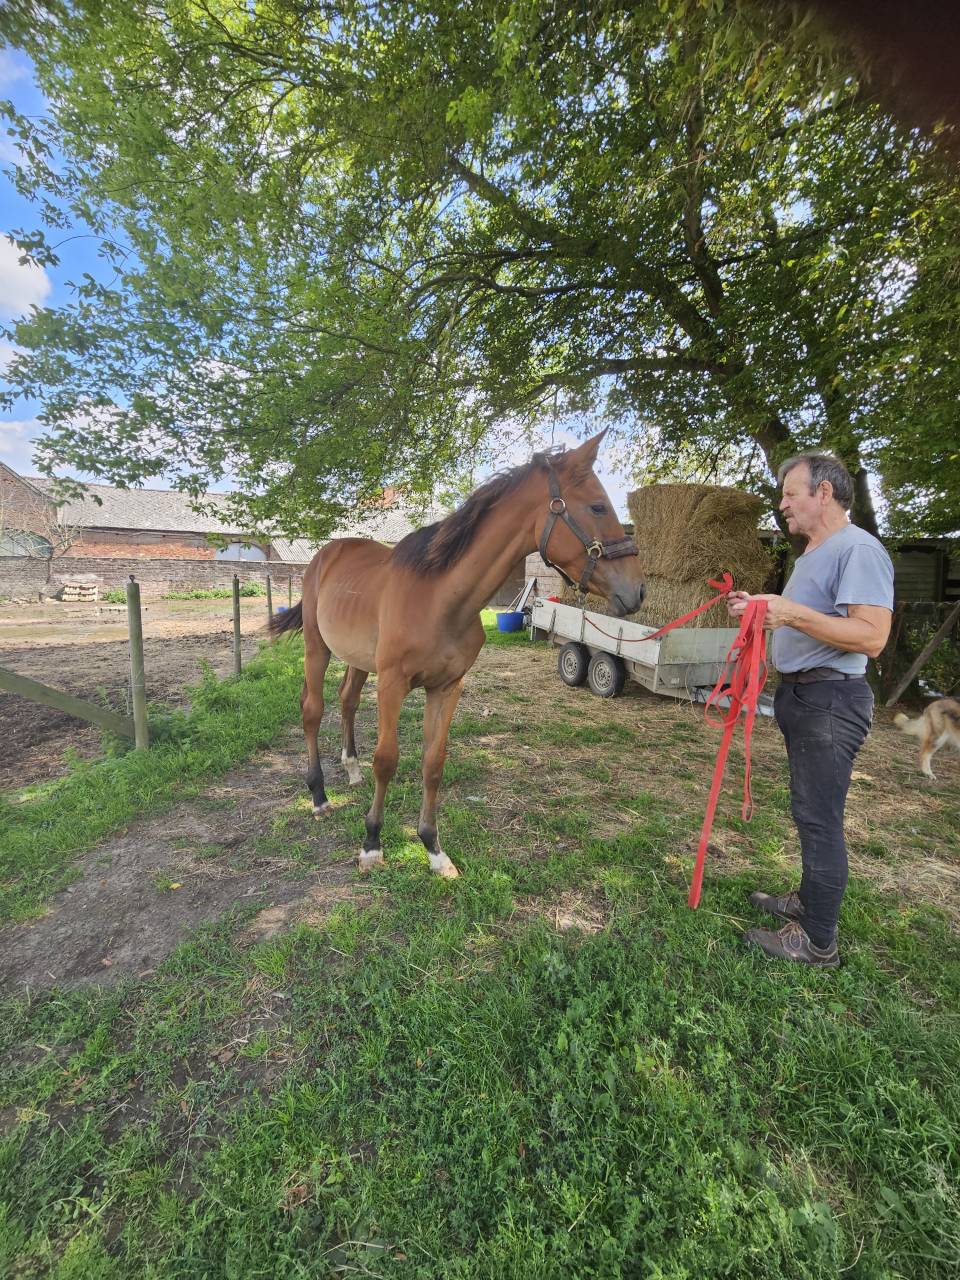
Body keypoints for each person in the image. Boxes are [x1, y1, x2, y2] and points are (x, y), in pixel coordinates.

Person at [727, 452, 894, 967]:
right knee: (808, 810)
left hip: (829, 700)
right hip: (804, 696)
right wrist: (764, 606)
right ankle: (808, 900)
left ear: (824, 493)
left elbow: (872, 637)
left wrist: (790, 612)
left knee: (820, 818)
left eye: (789, 494)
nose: (782, 505)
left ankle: (818, 940)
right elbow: (808, 620)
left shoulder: (858, 549)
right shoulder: (815, 553)